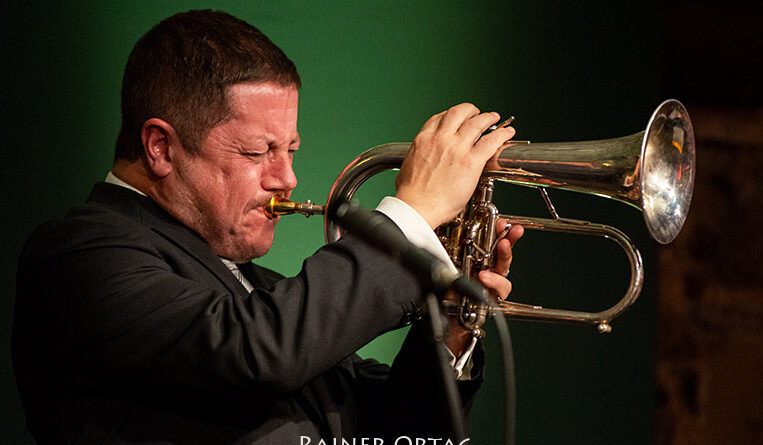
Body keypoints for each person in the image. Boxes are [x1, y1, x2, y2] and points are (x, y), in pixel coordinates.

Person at [13, 10, 522, 445]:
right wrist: (410, 217)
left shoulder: (262, 293)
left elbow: (399, 434)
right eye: (258, 152)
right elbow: (254, 354)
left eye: (290, 150)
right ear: (161, 148)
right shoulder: (77, 256)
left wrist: (453, 322)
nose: (286, 177)